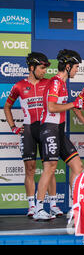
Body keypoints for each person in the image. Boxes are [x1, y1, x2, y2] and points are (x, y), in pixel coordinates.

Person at [3, 52, 62, 218]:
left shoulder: (49, 83)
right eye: (42, 68)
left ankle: (54, 205)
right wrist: (13, 127)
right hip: (28, 129)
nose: (44, 71)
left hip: (45, 128)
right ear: (31, 67)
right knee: (29, 169)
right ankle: (31, 206)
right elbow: (7, 107)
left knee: (48, 168)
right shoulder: (19, 86)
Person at [34, 49, 84, 221]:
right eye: (76, 67)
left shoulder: (62, 84)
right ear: (68, 66)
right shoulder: (56, 82)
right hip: (49, 128)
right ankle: (39, 208)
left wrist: (76, 105)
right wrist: (73, 104)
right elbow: (52, 107)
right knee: (50, 167)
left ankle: (75, 207)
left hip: (59, 130)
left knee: (77, 166)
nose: (77, 70)